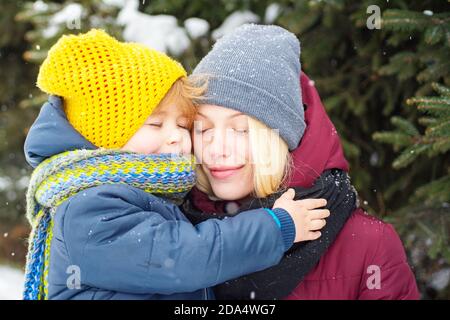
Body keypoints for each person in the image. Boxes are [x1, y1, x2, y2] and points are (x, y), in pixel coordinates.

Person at [23, 29, 330, 300]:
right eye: (156, 125)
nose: (176, 139)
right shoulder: (90, 207)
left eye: (183, 125)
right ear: (104, 137)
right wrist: (275, 228)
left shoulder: (146, 195)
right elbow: (184, 258)